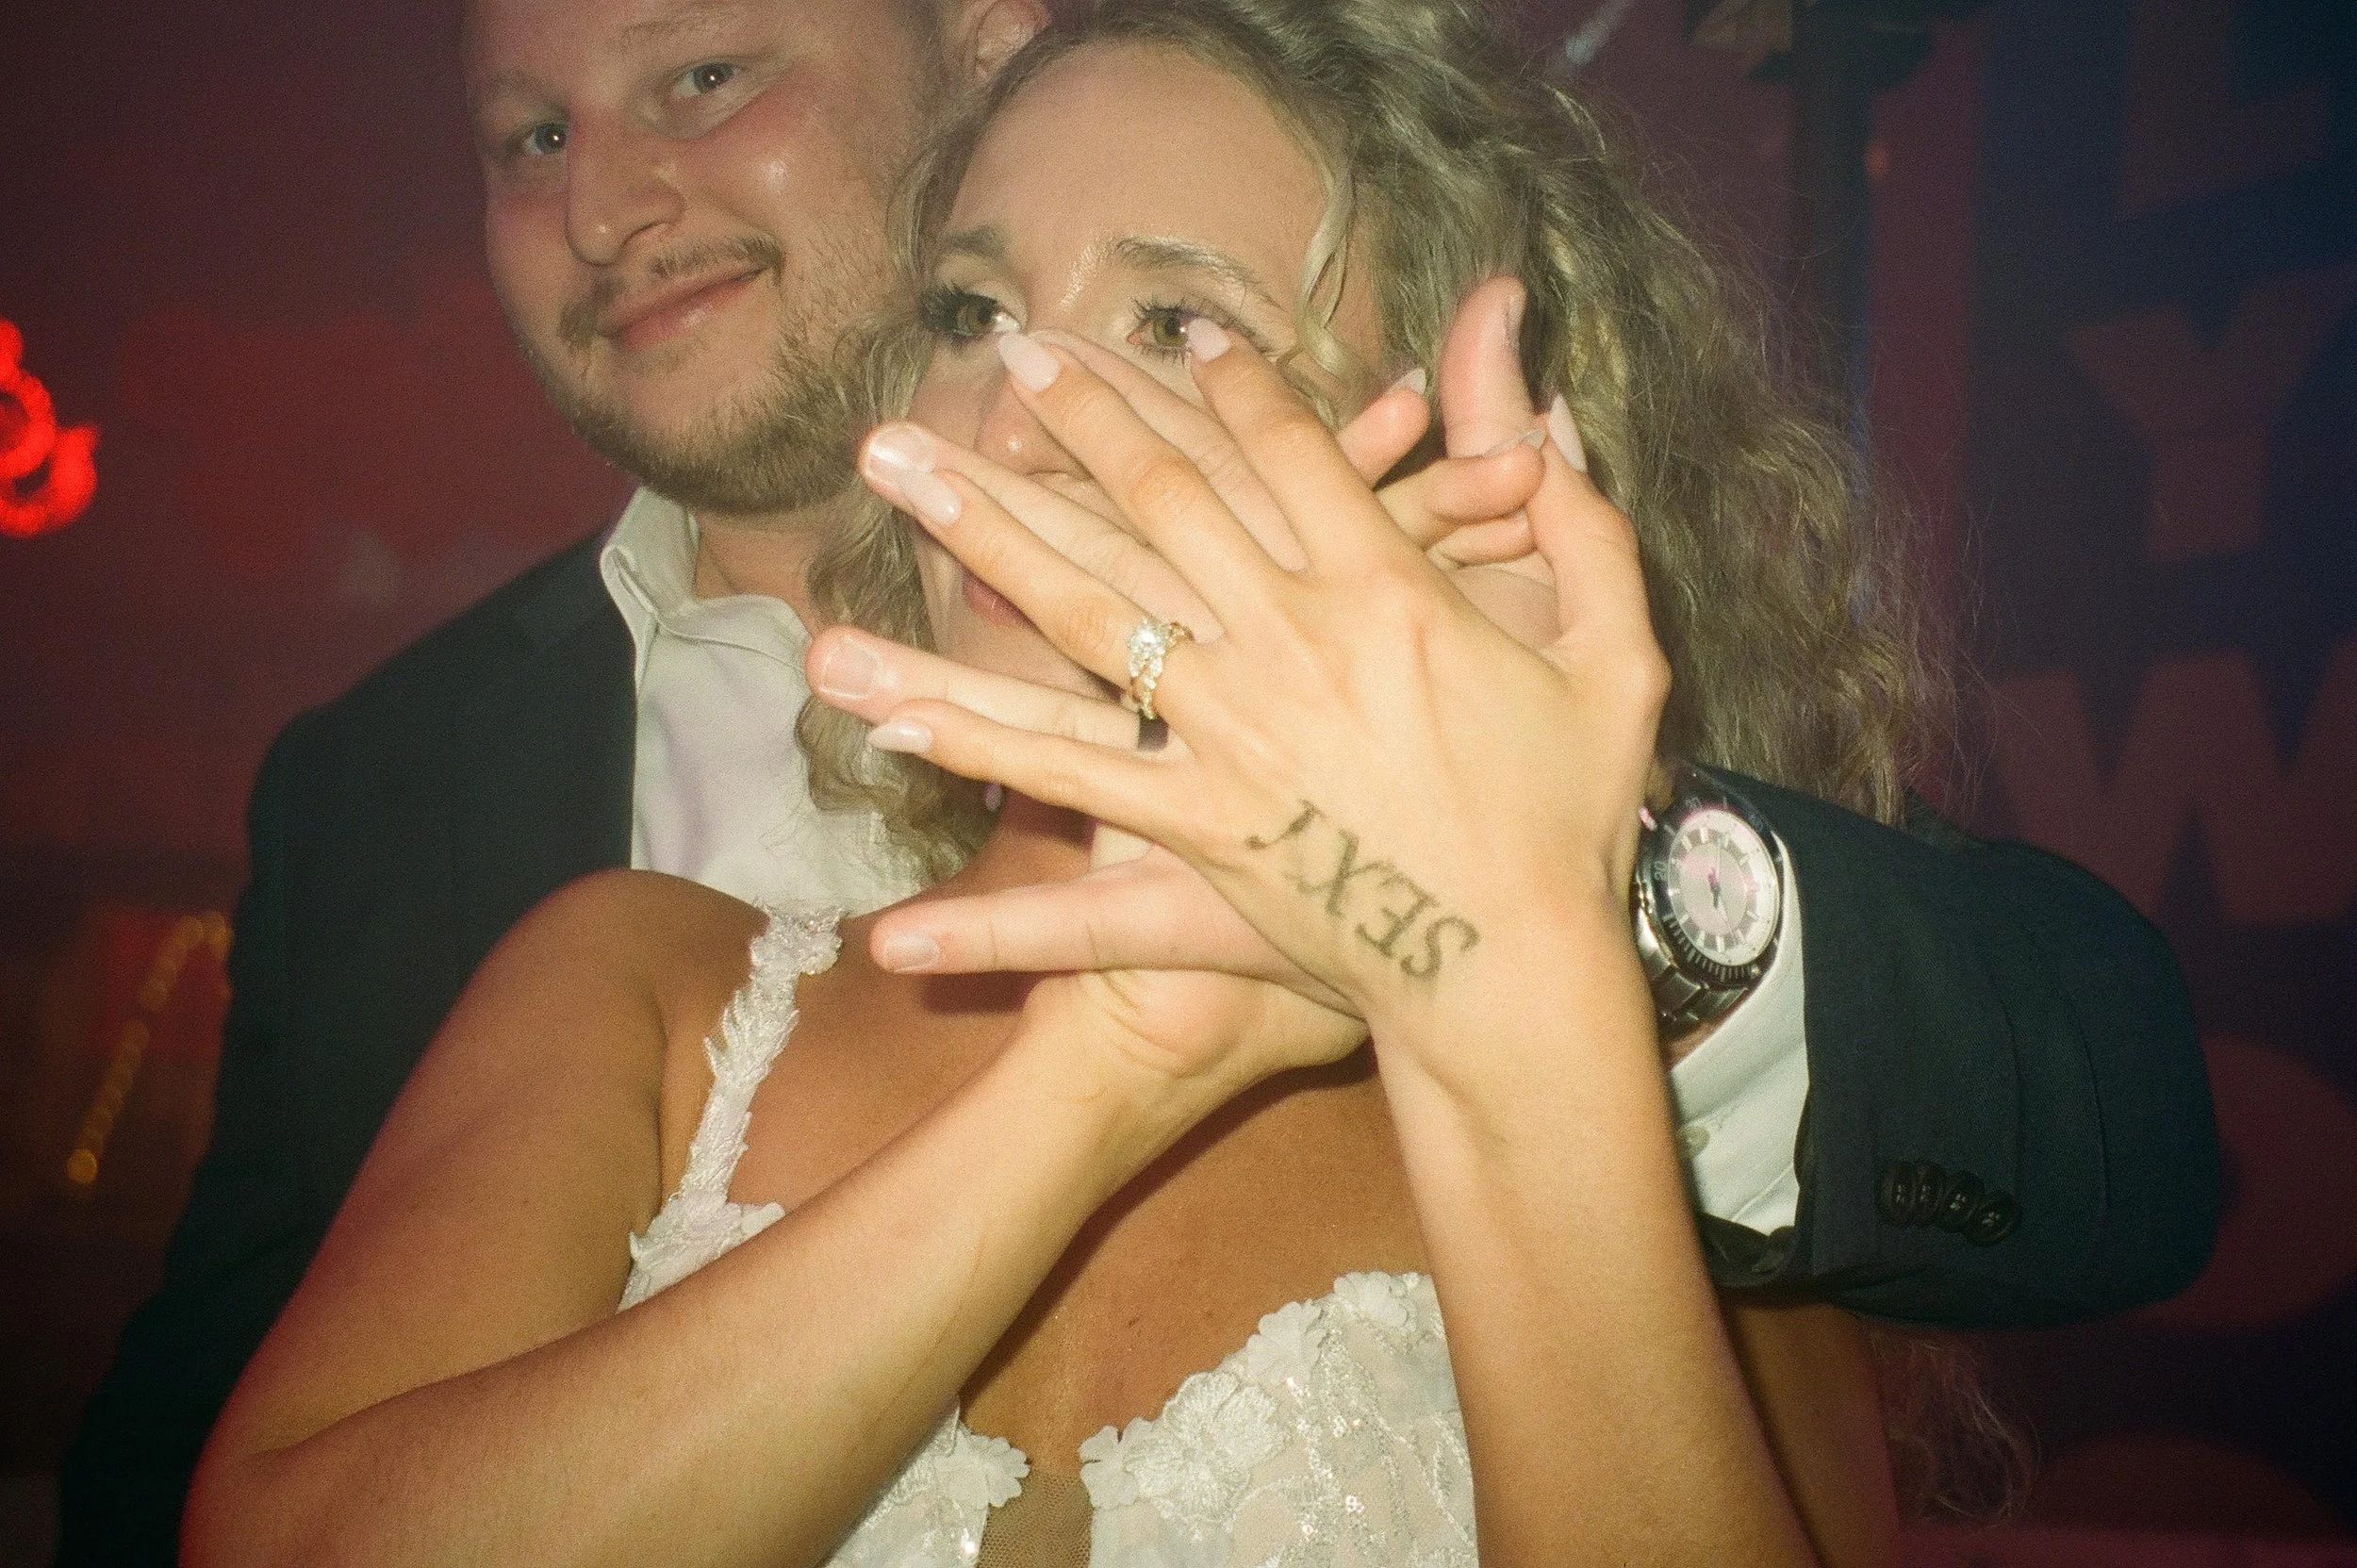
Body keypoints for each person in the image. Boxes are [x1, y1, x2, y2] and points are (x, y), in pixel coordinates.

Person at [60, 0, 2215, 1562]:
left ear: (1466, 454)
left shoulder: (1659, 1127)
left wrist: (1511, 988)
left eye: (1173, 321)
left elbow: (2101, 1099)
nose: (1022, 409)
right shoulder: (613, 970)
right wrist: (1102, 1066)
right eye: (974, 306)